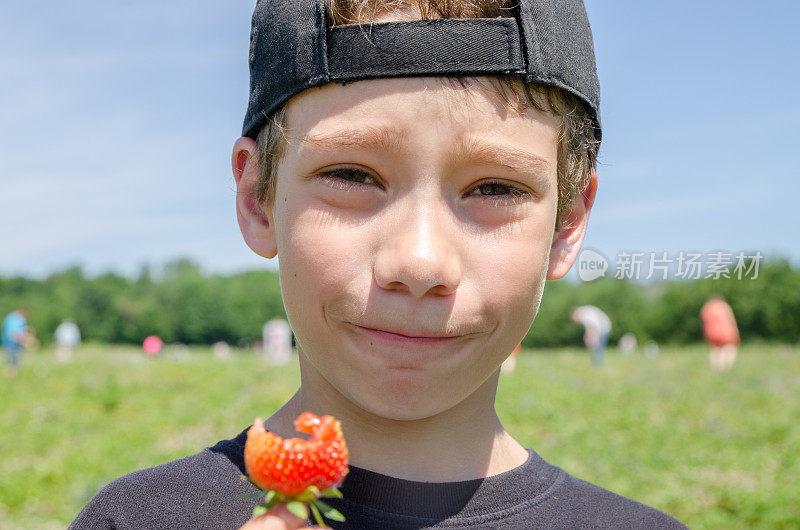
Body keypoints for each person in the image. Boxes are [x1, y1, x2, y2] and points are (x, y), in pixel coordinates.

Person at [71, 1, 686, 528]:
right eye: (350, 175)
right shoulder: (136, 519)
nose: (419, 262)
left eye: (495, 189)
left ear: (568, 224)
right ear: (258, 198)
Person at [700, 295, 740, 371]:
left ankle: (716, 369)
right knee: (729, 348)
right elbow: (731, 318)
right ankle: (727, 368)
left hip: (710, 332)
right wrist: (736, 330)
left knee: (715, 350)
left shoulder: (706, 308)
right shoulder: (724, 305)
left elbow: (702, 323)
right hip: (725, 331)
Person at [2, 308, 35, 377]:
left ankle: (9, 375)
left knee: (10, 360)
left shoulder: (10, 317)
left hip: (7, 341)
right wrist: (27, 341)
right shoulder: (19, 319)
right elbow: (17, 333)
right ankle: (10, 376)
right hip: (14, 342)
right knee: (14, 361)